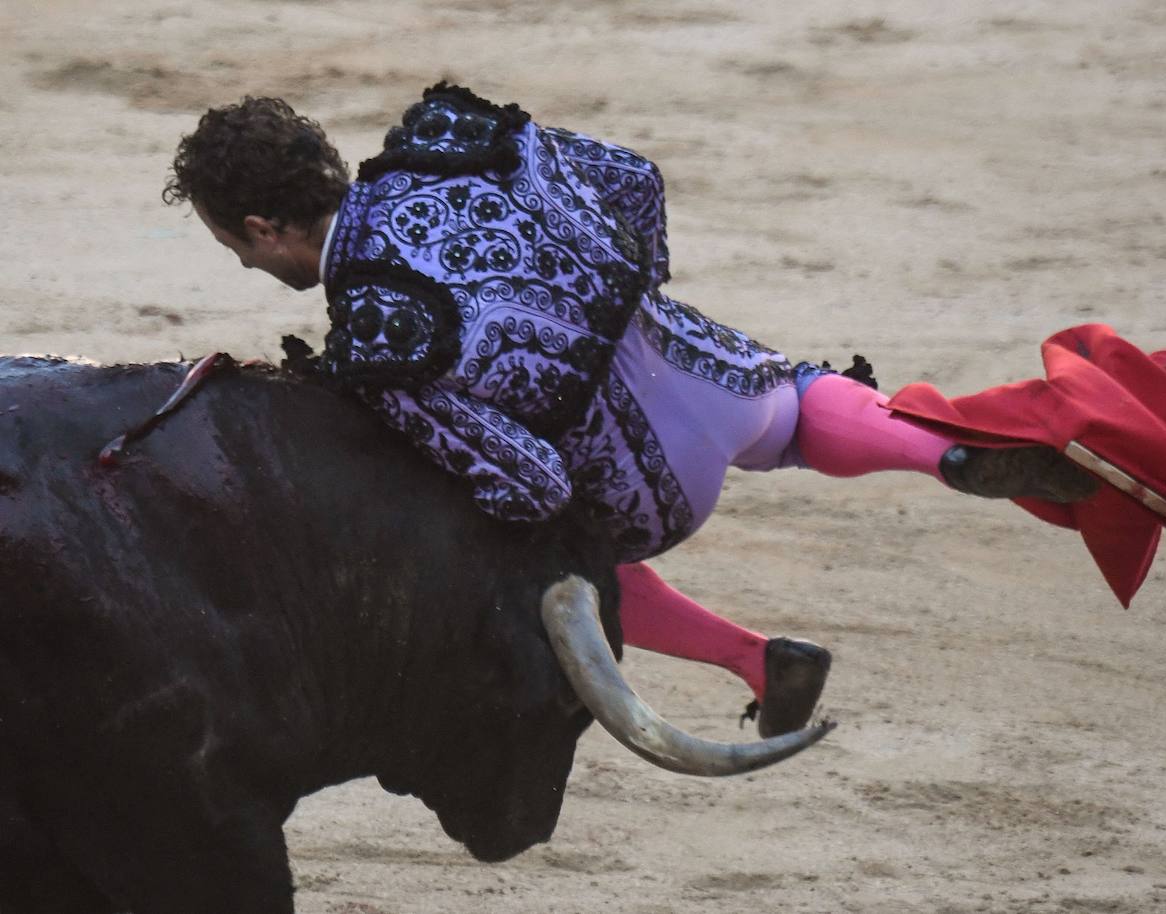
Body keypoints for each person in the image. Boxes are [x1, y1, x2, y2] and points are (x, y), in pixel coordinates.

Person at [164, 83, 1097, 738]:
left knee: (538, 541)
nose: (246, 266)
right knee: (799, 405)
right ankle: (946, 457)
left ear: (262, 228)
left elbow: (531, 485)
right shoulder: (446, 148)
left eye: (232, 246)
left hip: (646, 490)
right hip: (711, 377)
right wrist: (617, 302)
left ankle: (754, 659)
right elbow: (633, 181)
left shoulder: (373, 332)